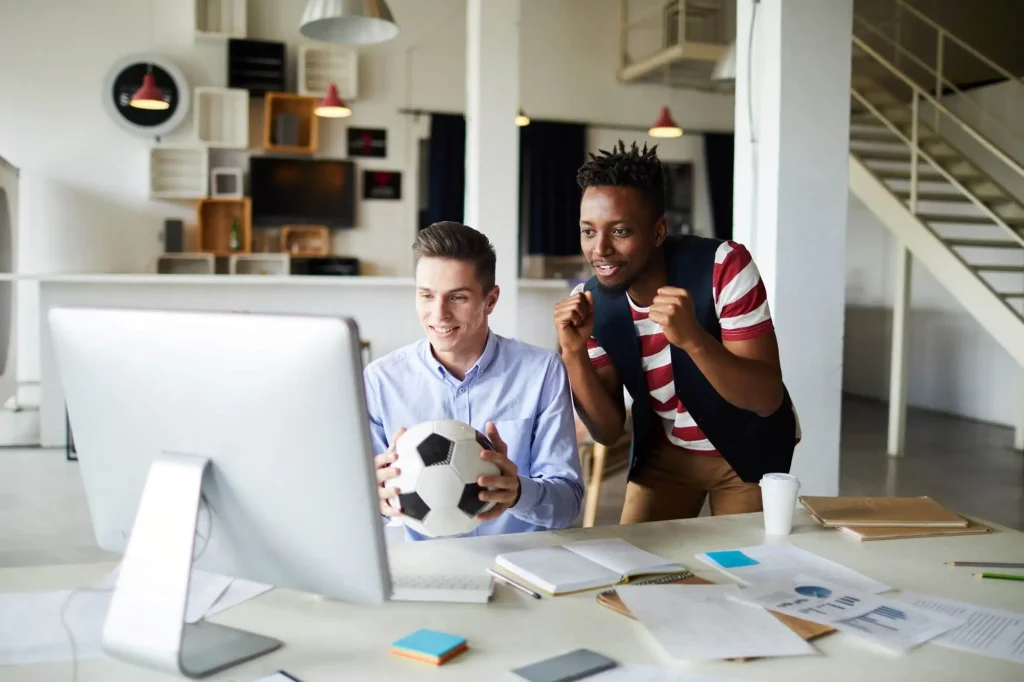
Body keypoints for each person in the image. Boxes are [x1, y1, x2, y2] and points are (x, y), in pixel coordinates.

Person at [553, 141, 799, 524]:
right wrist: (573, 353)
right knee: (638, 571)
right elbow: (607, 430)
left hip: (746, 451)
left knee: (746, 574)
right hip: (665, 455)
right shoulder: (588, 304)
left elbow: (766, 398)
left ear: (658, 232)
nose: (600, 250)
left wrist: (694, 341)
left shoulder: (724, 266)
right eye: (588, 231)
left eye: (619, 231)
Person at [365, 221, 584, 540]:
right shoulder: (381, 380)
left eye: (457, 298)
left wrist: (519, 492)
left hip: (517, 564)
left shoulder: (541, 372)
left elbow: (567, 506)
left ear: (491, 300)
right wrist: (375, 500)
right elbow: (358, 510)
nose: (439, 314)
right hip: (419, 568)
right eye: (427, 295)